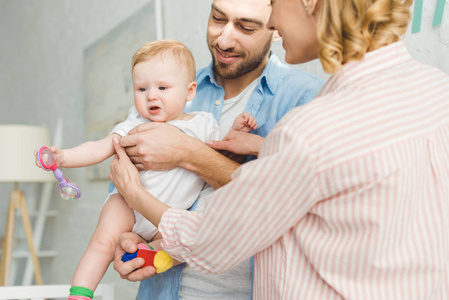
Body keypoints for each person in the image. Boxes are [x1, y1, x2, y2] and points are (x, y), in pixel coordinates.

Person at [110, 0, 449, 299]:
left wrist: (141, 187)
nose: (273, 22)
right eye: (218, 17)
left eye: (274, 3)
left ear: (311, 2)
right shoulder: (438, 90)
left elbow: (214, 238)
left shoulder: (310, 125)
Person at [112, 0, 323, 299]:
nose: (224, 39)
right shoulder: (168, 89)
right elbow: (126, 184)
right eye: (217, 18)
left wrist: (188, 152)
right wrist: (128, 237)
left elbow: (288, 209)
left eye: (246, 27)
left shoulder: (307, 97)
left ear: (275, 27)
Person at [35, 40, 256, 300]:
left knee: (180, 245)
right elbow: (99, 148)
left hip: (168, 216)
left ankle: (148, 252)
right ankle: (80, 294)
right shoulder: (134, 122)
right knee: (102, 243)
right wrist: (63, 157)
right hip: (127, 206)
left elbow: (218, 156)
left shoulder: (203, 124)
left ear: (190, 91)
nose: (151, 95)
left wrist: (237, 132)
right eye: (142, 88)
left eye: (162, 87)